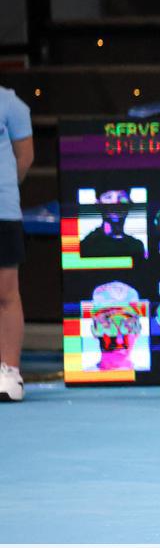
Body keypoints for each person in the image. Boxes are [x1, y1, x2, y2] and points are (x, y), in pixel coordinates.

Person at [0, 87, 34, 403]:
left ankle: (9, 371)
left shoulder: (11, 103)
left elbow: (24, 158)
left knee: (6, 292)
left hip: (2, 211)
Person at [80, 190, 146, 260]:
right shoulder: (87, 246)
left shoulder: (136, 246)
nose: (115, 204)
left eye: (121, 198)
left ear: (130, 204)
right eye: (108, 197)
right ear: (98, 205)